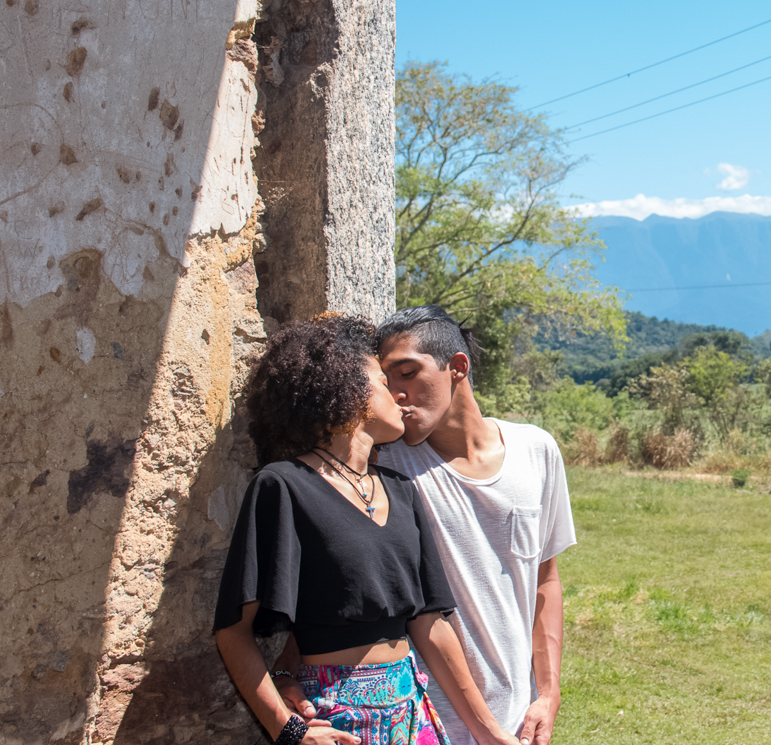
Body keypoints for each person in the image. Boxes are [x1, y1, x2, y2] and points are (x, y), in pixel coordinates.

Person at [274, 305, 576, 745]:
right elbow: (341, 579)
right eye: (385, 379)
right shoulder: (383, 467)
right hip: (416, 717)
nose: (395, 393)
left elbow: (545, 580)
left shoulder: (537, 451)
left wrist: (548, 695)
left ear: (457, 367)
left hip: (516, 719)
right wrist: (286, 668)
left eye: (408, 372)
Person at [213, 314, 520, 745]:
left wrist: (489, 733)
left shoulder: (400, 489)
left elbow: (430, 624)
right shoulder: (282, 486)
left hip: (414, 713)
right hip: (333, 719)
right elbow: (232, 629)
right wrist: (290, 731)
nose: (397, 394)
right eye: (381, 380)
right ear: (348, 391)